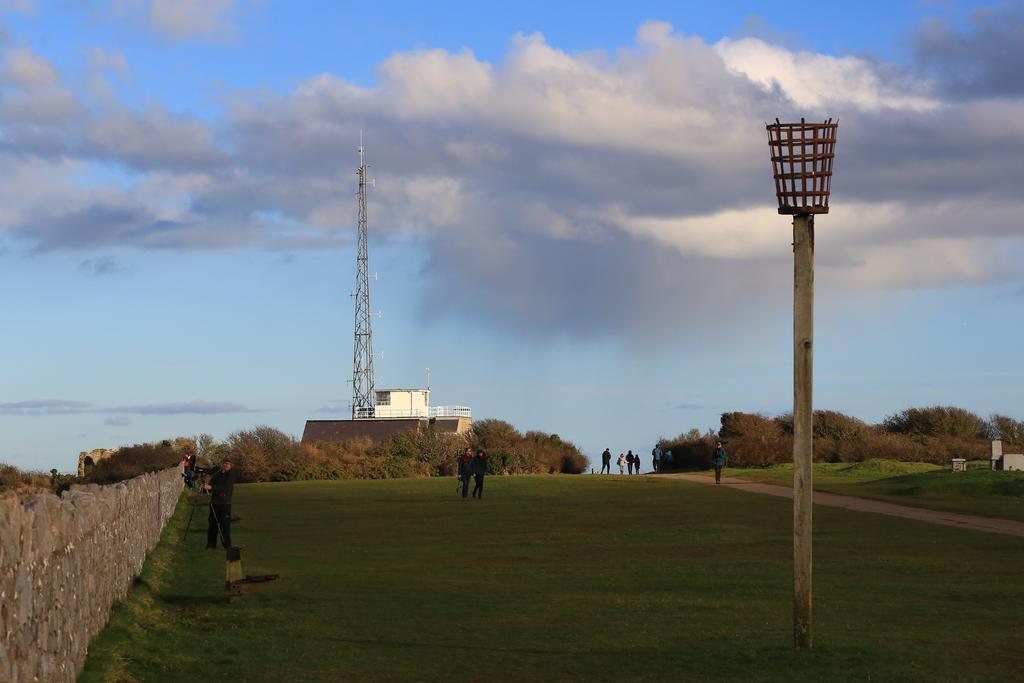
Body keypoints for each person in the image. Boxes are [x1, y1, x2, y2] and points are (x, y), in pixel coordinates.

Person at [204, 458, 237, 549]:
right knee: (212, 524)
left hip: (225, 503)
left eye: (228, 464)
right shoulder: (217, 474)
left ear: (231, 466)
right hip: (214, 503)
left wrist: (211, 487)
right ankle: (211, 544)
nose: (226, 465)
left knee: (224, 525)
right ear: (222, 464)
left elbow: (226, 487)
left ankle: (227, 545)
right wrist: (205, 487)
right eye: (225, 463)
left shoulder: (231, 474)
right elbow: (210, 487)